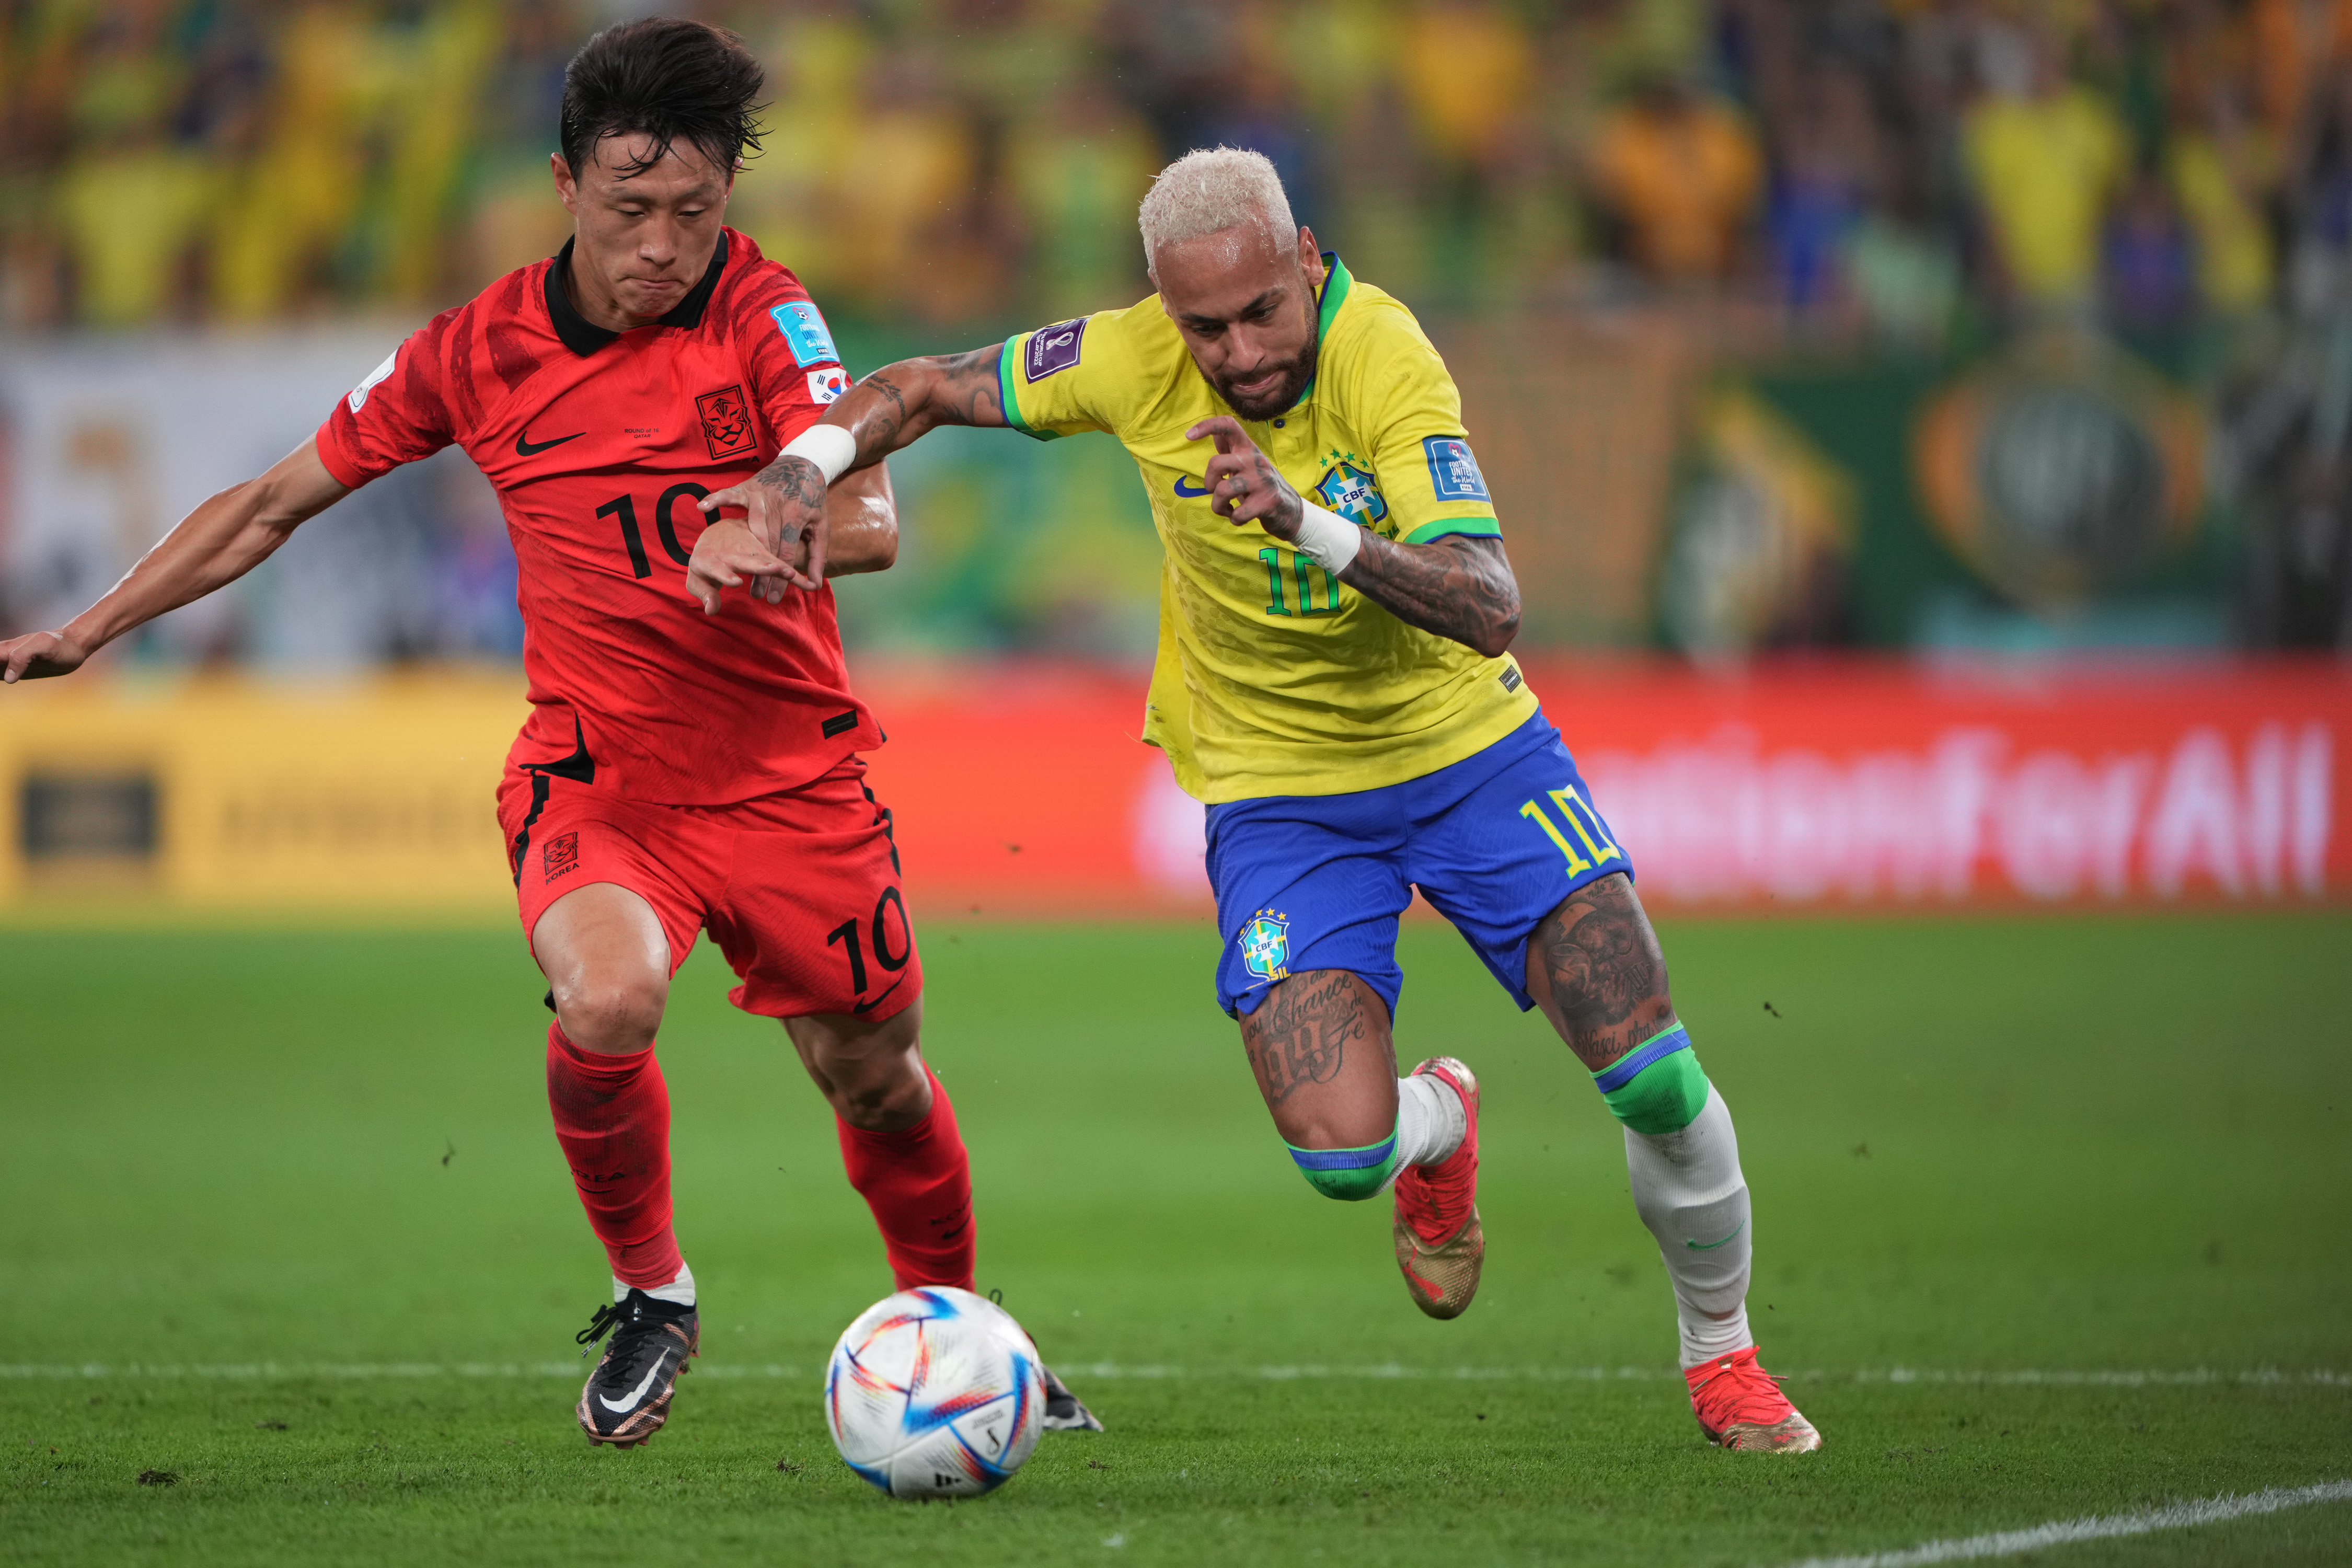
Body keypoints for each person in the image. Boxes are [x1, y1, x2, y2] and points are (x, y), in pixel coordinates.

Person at [2, 17, 1096, 1449]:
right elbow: (273, 505)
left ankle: (957, 1334)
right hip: (602, 780)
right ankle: (654, 1293)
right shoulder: (473, 351)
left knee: (874, 1072)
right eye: (631, 211)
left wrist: (760, 527)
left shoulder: (770, 320)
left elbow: (873, 512)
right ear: (565, 184)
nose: (664, 245)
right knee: (606, 999)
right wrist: (95, 625)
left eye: (694, 215)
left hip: (789, 783)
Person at [692, 147, 1823, 1452]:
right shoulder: (1125, 357)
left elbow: (1491, 603)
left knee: (1649, 1064)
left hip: (1472, 758)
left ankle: (1723, 1358)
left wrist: (1305, 522)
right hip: (1280, 798)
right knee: (1344, 1156)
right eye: (1202, 327)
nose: (1234, 353)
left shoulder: (1385, 356)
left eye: (1258, 314)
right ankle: (1439, 1122)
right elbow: (921, 386)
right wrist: (803, 466)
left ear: (1306, 259)